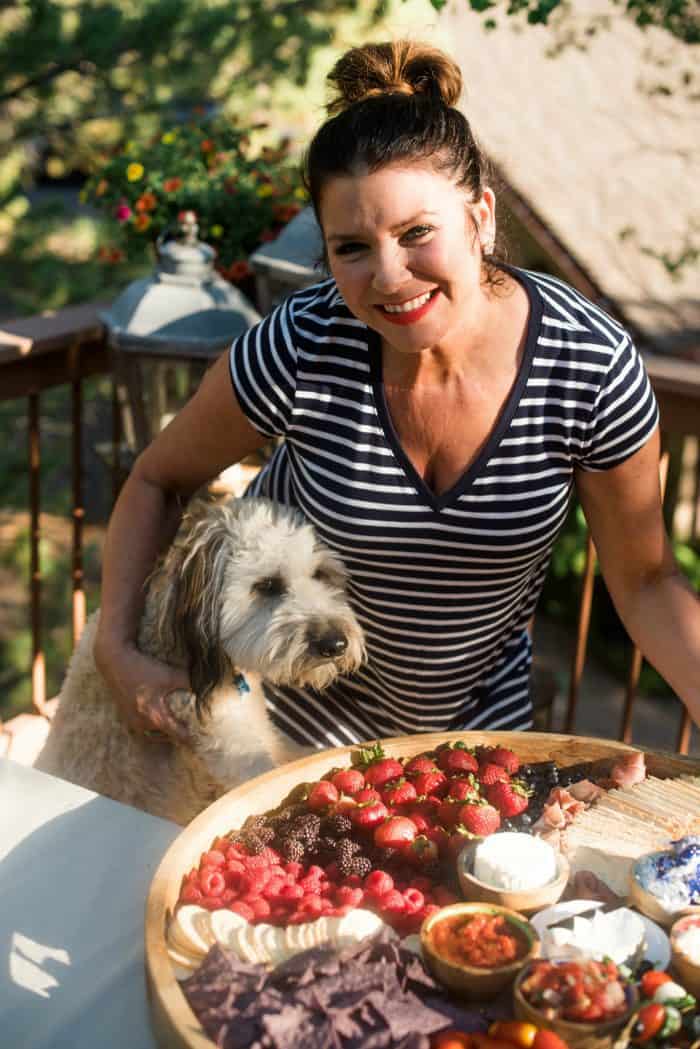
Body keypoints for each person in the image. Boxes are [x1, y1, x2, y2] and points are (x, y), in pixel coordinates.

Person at [94, 40, 700, 749]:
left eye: (416, 233)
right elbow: (158, 479)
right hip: (280, 733)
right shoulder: (300, 341)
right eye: (350, 247)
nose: (388, 276)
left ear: (481, 218)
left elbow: (649, 581)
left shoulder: (589, 368)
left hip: (475, 744)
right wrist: (116, 650)